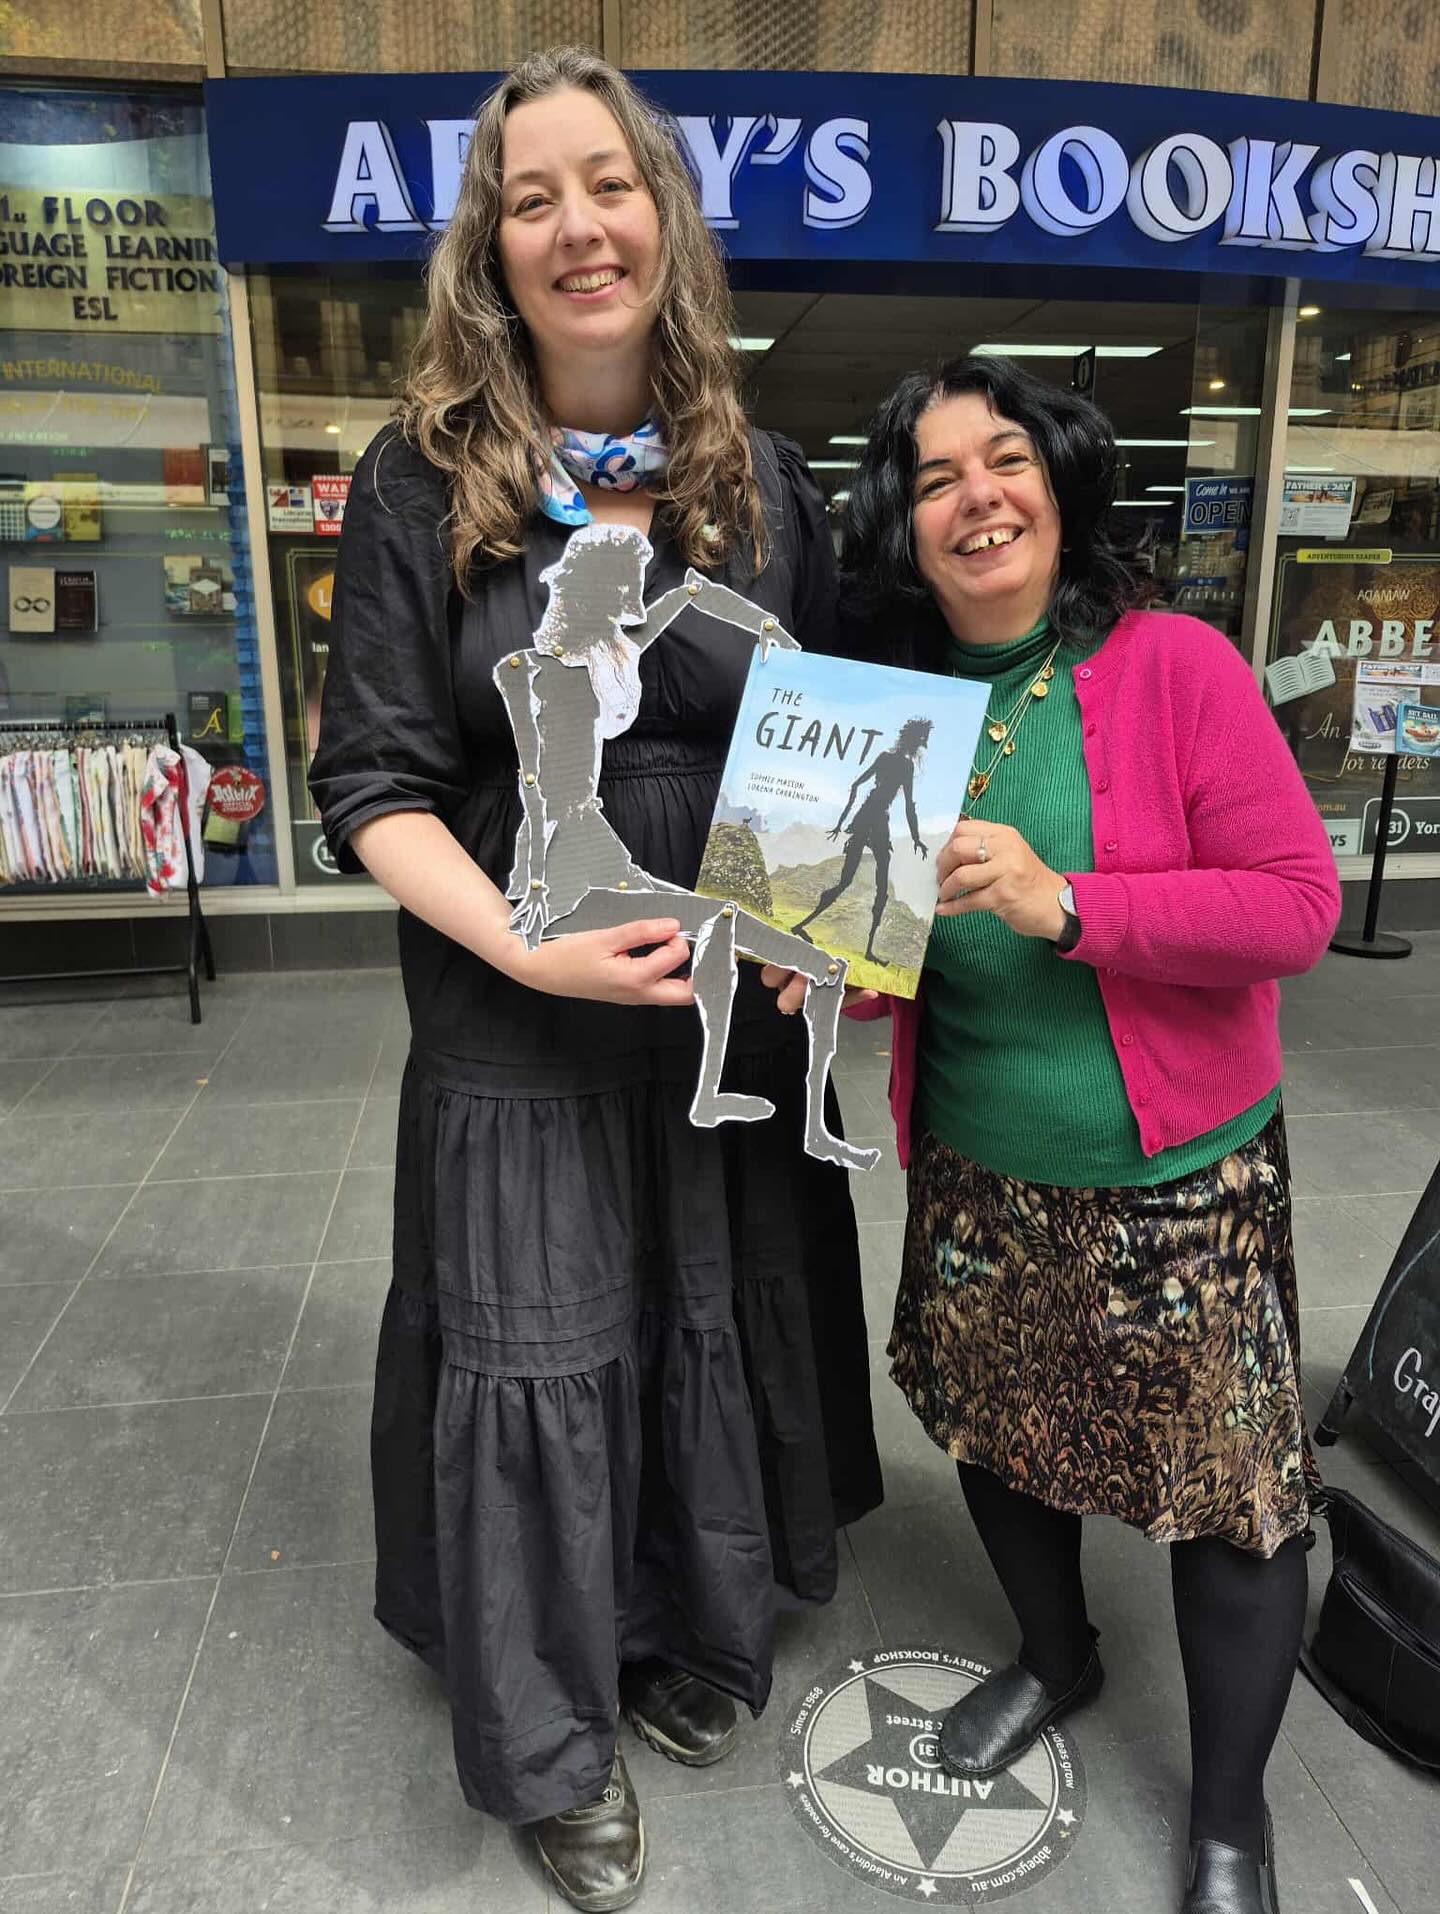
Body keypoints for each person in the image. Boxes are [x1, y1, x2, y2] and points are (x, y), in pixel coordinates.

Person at [308, 47, 881, 1913]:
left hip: (718, 1015)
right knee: (541, 1334)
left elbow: (818, 728)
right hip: (515, 1005)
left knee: (704, 1294)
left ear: (664, 217)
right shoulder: (419, 483)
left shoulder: (757, 477)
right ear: (491, 246)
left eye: (608, 185)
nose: (578, 226)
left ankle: (693, 1624)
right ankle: (552, 1737)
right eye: (531, 196)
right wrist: (521, 938)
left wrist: (820, 925)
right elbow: (372, 784)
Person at [767, 354, 1340, 1914]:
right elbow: (893, 957)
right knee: (1000, 1432)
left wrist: (1070, 900)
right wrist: (821, 959)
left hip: (1182, 1180)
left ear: (1058, 482)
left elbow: (1298, 906)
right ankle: (1056, 1652)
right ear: (905, 524)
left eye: (1003, 459)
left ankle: (1229, 1819)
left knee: (1233, 1500)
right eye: (936, 477)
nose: (977, 496)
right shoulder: (886, 707)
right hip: (976, 1167)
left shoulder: (1175, 666)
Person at [791, 716, 932, 964]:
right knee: (876, 886)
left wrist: (843, 821)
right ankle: (864, 949)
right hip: (875, 820)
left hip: (867, 817)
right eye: (921, 741)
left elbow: (856, 786)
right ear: (914, 740)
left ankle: (804, 927)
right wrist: (915, 838)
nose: (922, 747)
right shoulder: (904, 765)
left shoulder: (886, 758)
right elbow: (908, 805)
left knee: (851, 882)